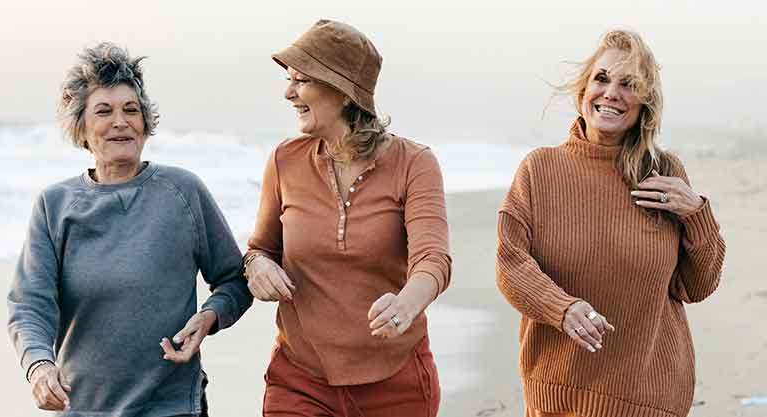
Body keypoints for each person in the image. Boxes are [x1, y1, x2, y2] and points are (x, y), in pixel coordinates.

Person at [7, 42, 252, 417]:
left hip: (173, 406)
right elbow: (30, 304)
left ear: (145, 122)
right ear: (82, 128)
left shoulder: (183, 191)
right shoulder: (54, 205)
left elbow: (235, 280)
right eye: (104, 111)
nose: (120, 121)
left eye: (131, 110)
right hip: (83, 406)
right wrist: (39, 366)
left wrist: (210, 317)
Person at [496, 30, 726, 417]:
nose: (611, 93)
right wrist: (563, 308)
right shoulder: (540, 169)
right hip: (559, 395)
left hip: (649, 398)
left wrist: (696, 215)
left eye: (629, 84)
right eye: (602, 79)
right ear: (584, 89)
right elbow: (510, 265)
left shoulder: (664, 172)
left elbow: (698, 286)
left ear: (645, 102)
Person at [245, 20, 451, 417]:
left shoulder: (415, 164)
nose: (289, 93)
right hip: (298, 381)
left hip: (396, 383)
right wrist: (257, 267)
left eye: (301, 80)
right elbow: (260, 249)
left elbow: (433, 260)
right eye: (289, 80)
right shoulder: (284, 161)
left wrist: (407, 304)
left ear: (341, 91)